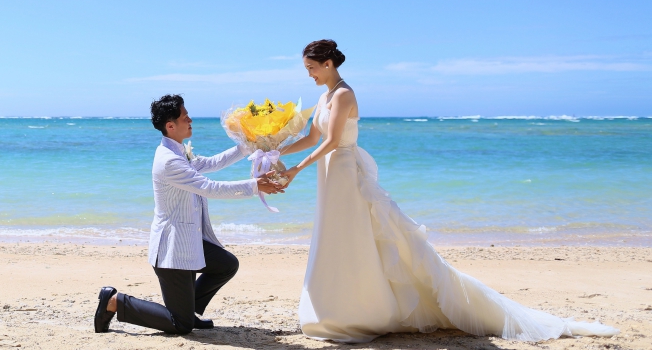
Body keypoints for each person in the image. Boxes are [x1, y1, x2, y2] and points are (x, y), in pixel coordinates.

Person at [279, 39, 619, 343]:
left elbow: (334, 141)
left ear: (328, 64)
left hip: (345, 175)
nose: (309, 74)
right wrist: (273, 150)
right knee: (333, 236)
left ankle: (358, 311)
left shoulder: (343, 94)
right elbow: (312, 138)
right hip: (329, 176)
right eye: (306, 69)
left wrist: (295, 171)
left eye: (311, 68)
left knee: (352, 237)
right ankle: (333, 308)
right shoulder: (324, 96)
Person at [93, 94, 285, 335]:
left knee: (226, 264)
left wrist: (250, 143)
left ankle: (188, 308)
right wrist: (255, 185)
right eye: (186, 117)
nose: (191, 119)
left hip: (189, 241)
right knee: (180, 325)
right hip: (172, 251)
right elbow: (209, 187)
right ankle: (114, 302)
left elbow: (214, 162)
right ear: (170, 126)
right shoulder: (169, 161)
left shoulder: (179, 152)